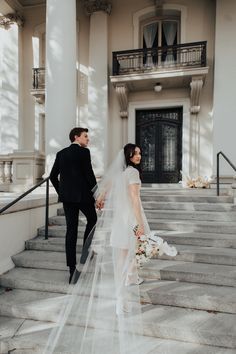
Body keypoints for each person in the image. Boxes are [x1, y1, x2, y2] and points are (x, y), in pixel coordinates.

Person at [44, 143, 177, 354]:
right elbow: (134, 199)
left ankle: (119, 301)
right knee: (132, 258)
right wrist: (140, 224)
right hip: (130, 220)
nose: (140, 156)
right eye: (137, 153)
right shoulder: (132, 173)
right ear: (129, 156)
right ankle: (125, 293)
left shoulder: (119, 174)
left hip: (117, 222)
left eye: (140, 153)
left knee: (120, 262)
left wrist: (100, 201)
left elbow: (103, 191)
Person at [49, 127, 97, 284]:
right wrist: (97, 193)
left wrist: (61, 191)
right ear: (76, 137)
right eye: (85, 136)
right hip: (83, 196)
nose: (87, 139)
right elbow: (89, 174)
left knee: (71, 231)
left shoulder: (61, 154)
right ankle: (86, 252)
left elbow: (52, 176)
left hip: (68, 198)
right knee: (93, 219)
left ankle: (71, 270)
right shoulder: (84, 152)